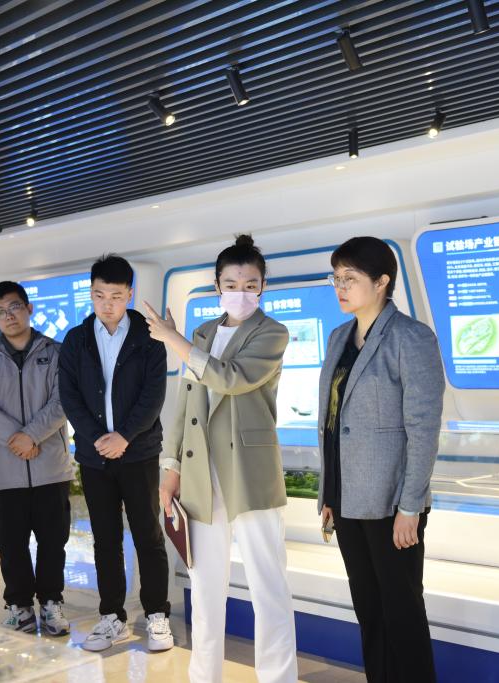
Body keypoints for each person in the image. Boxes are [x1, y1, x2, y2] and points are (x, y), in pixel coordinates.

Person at [145, 234, 298, 683]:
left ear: (263, 286)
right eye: (231, 284)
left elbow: (232, 379)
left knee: (268, 586)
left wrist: (174, 340)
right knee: (205, 588)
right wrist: (170, 466)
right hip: (200, 474)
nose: (241, 293)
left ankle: (278, 677)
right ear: (217, 286)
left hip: (250, 475)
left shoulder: (272, 333)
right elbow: (186, 403)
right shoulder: (203, 334)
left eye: (251, 285)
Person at [317, 236, 445, 683]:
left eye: (350, 278)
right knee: (368, 610)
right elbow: (332, 421)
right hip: (348, 499)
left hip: (392, 503)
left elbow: (423, 429)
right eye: (336, 278)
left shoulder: (411, 338)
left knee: (402, 611)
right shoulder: (338, 338)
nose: (340, 287)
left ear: (382, 281)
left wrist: (411, 506)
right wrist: (329, 494)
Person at [58, 254, 174, 653]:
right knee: (105, 539)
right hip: (95, 457)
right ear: (91, 293)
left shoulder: (149, 336)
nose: (106, 304)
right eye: (99, 295)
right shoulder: (76, 339)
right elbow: (69, 396)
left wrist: (124, 435)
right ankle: (112, 617)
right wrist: (97, 439)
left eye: (116, 296)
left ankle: (156, 614)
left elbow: (153, 395)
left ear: (130, 295)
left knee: (148, 535)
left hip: (138, 452)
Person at [0, 281, 73, 636]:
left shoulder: (56, 353)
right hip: (7, 469)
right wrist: (18, 438)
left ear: (29, 308)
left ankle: (52, 603)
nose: (8, 316)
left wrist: (32, 435)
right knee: (11, 543)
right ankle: (20, 607)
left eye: (14, 307)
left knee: (53, 542)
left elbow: (63, 400)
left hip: (51, 467)